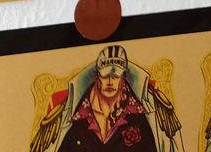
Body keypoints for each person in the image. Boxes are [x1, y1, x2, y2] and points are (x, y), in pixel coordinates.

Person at [30, 45, 182, 152]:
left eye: (115, 76)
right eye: (105, 76)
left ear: (123, 77)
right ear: (97, 76)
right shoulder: (76, 117)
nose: (110, 81)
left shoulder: (140, 117)